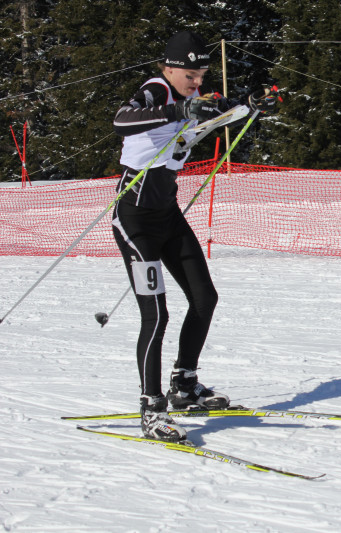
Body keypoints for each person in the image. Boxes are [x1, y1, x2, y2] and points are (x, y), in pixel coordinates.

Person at [111, 31, 271, 442]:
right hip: (135, 221)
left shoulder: (193, 96)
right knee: (157, 315)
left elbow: (220, 111)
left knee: (205, 298)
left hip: (167, 215)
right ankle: (151, 407)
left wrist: (252, 104)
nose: (196, 83)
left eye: (200, 75)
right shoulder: (155, 90)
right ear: (169, 69)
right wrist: (177, 107)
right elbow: (121, 120)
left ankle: (184, 385)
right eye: (190, 75)